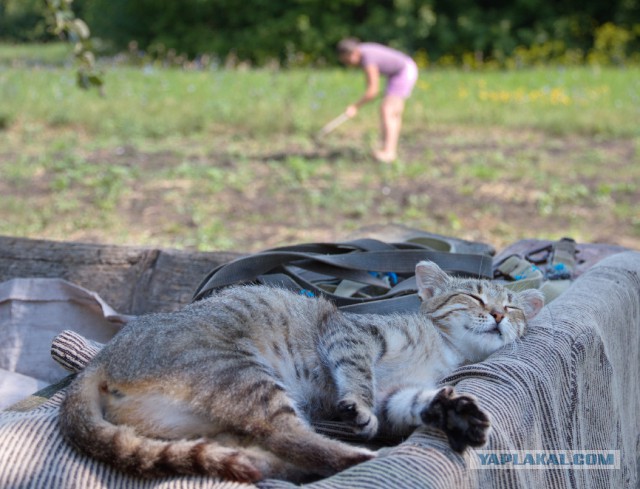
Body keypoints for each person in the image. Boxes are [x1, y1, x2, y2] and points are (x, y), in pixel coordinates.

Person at [337, 38, 418, 163]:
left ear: (352, 53)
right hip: (401, 71)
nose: (349, 64)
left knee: (387, 110)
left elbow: (372, 91)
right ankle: (389, 149)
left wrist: (355, 107)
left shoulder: (368, 58)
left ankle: (389, 152)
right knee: (393, 111)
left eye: (347, 60)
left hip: (403, 71)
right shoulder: (364, 51)